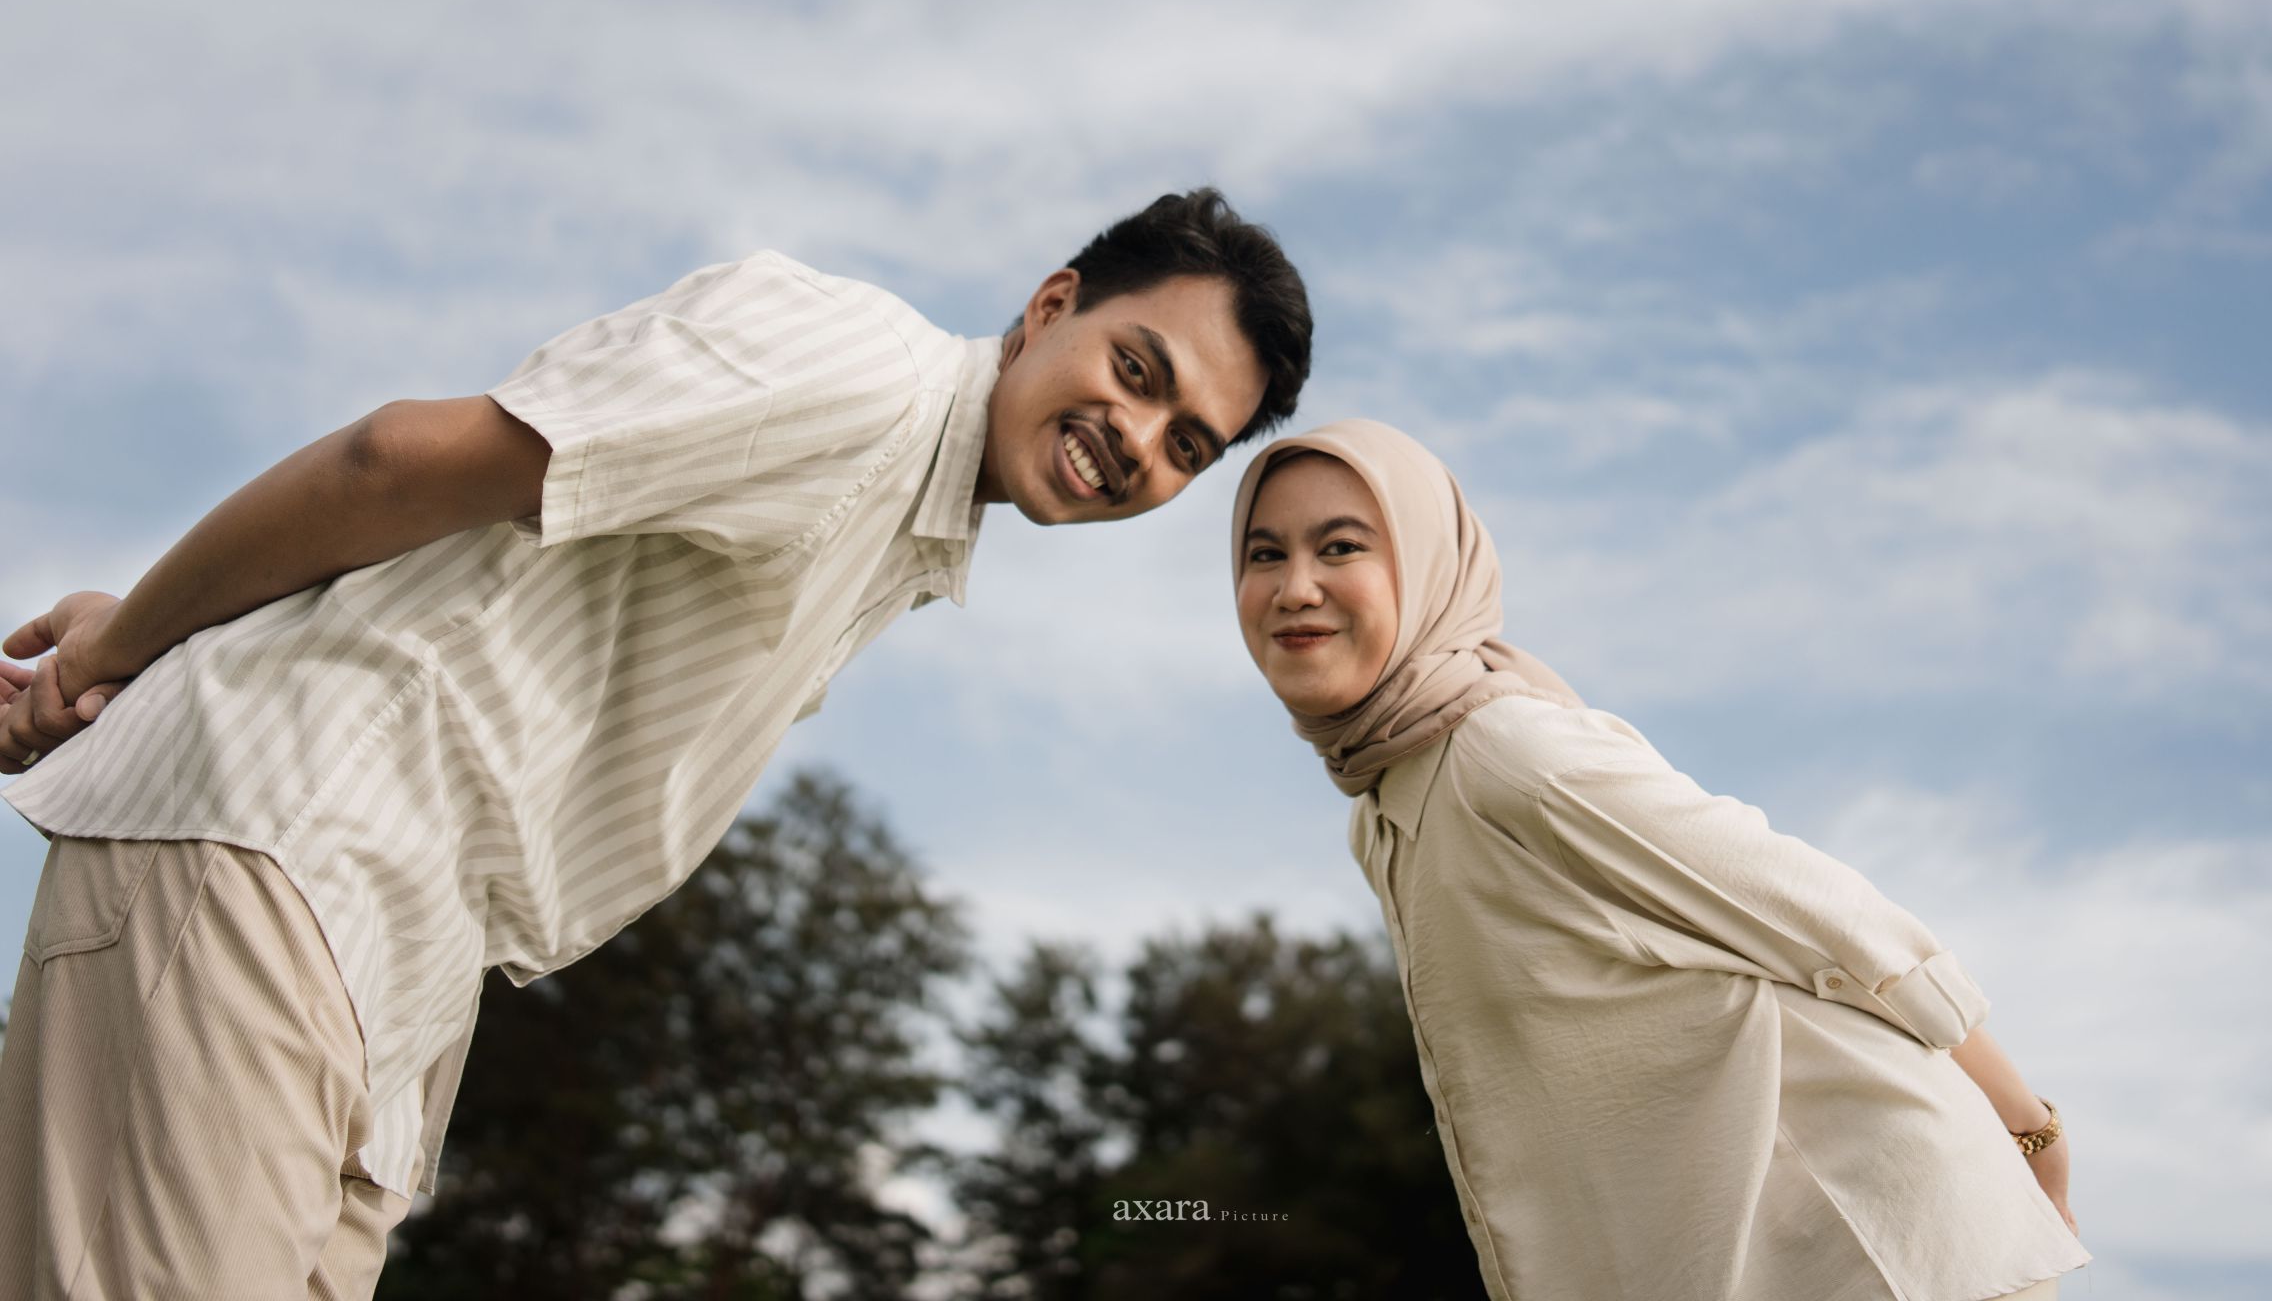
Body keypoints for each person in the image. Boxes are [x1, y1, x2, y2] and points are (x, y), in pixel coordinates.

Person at [0, 187, 1312, 1300]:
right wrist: (111, 655)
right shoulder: (860, 373)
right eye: (1139, 372)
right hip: (282, 857)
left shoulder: (908, 526)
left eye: (1186, 444)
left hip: (395, 969)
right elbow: (393, 461)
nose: (1138, 439)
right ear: (1052, 305)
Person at [1229, 418, 2091, 1301]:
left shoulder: (1507, 755)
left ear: (1428, 567)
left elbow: (1827, 916)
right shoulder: (1382, 812)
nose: (1296, 588)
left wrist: (2030, 1128)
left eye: (1341, 547)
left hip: (1880, 1239)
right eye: (1265, 555)